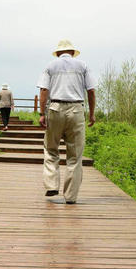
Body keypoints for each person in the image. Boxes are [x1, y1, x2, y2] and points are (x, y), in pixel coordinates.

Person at [36, 40, 96, 204]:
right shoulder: (83, 66)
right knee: (75, 156)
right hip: (76, 110)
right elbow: (91, 90)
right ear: (72, 52)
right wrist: (91, 114)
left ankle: (51, 185)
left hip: (55, 108)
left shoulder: (50, 66)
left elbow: (43, 90)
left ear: (58, 53)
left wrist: (42, 114)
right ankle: (70, 196)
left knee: (51, 149)